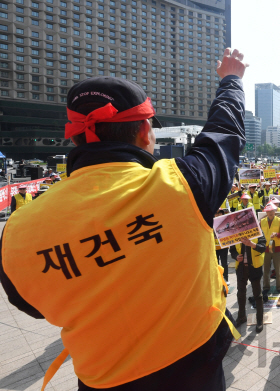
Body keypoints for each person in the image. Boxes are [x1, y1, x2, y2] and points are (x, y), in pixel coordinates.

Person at [0, 48, 247, 390]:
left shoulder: (20, 228)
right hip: (193, 373)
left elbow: (29, 304)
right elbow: (225, 132)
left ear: (75, 136)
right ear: (146, 131)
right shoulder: (181, 186)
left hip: (102, 379)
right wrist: (231, 79)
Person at [230, 236, 266, 333]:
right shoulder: (236, 234)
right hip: (241, 269)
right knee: (241, 294)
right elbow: (232, 250)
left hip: (254, 268)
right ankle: (241, 317)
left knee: (257, 295)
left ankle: (259, 320)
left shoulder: (257, 231)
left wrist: (252, 244)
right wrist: (236, 256)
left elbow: (263, 247)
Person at [260, 202, 280, 297]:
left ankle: (279, 286)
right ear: (266, 212)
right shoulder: (262, 221)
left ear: (275, 211)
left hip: (277, 247)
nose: (270, 212)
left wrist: (276, 234)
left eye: (272, 211)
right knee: (266, 269)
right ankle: (266, 287)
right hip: (266, 248)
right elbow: (259, 235)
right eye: (269, 211)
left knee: (278, 268)